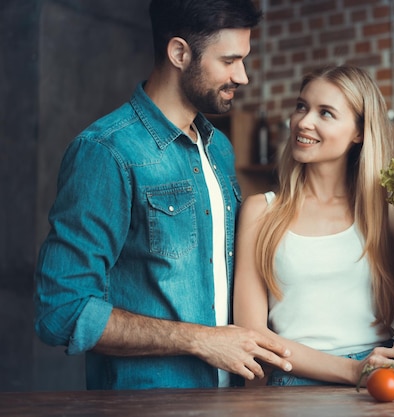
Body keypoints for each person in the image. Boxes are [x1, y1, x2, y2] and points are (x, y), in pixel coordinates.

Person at [34, 0, 292, 390]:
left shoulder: (218, 148)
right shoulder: (107, 152)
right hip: (147, 404)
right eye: (229, 60)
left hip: (231, 402)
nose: (243, 76)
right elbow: (62, 310)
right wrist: (200, 341)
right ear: (179, 53)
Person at [233, 65, 394, 386]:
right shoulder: (261, 211)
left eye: (326, 113)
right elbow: (252, 334)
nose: (304, 122)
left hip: (381, 375)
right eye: (301, 107)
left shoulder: (384, 213)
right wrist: (351, 371)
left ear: (359, 132)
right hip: (296, 380)